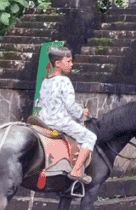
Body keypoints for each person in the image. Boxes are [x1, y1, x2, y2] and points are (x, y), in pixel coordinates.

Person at [36, 46, 96, 184]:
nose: (71, 64)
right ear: (58, 63)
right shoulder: (64, 81)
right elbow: (70, 106)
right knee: (90, 137)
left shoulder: (45, 81)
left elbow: (42, 102)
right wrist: (82, 112)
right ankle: (76, 170)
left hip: (43, 121)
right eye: (68, 61)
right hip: (60, 122)